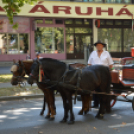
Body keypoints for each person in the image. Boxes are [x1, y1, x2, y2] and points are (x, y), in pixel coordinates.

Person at [88, 40, 114, 108]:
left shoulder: (106, 53)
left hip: (104, 74)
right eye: (97, 45)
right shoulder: (93, 53)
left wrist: (110, 72)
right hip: (94, 73)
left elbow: (111, 65)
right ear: (96, 46)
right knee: (94, 89)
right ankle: (95, 103)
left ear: (103, 46)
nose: (98, 46)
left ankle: (104, 103)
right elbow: (89, 64)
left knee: (103, 89)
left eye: (100, 45)